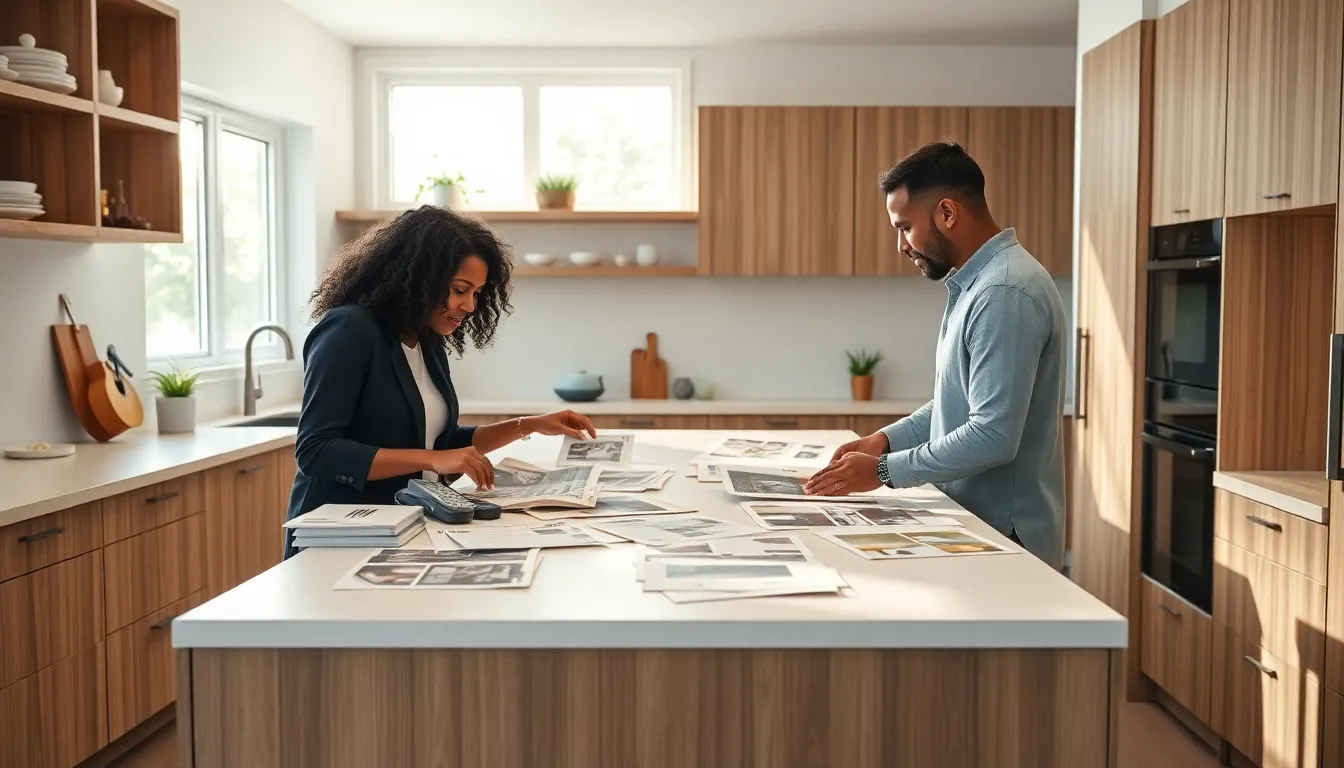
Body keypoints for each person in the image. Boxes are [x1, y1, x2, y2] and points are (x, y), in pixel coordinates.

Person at [804, 140, 1068, 570]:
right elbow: (959, 403)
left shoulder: (1004, 291)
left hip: (1005, 539)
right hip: (978, 529)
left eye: (905, 227)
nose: (901, 245)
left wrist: (884, 470)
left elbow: (992, 435)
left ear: (947, 213)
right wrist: (884, 441)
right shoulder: (979, 284)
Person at [283, 205, 597, 559]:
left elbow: (442, 444)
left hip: (408, 528)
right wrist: (433, 459)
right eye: (460, 289)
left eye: (476, 293)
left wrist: (530, 425)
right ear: (418, 277)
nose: (470, 306)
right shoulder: (349, 329)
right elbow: (317, 451)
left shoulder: (426, 338)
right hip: (343, 538)